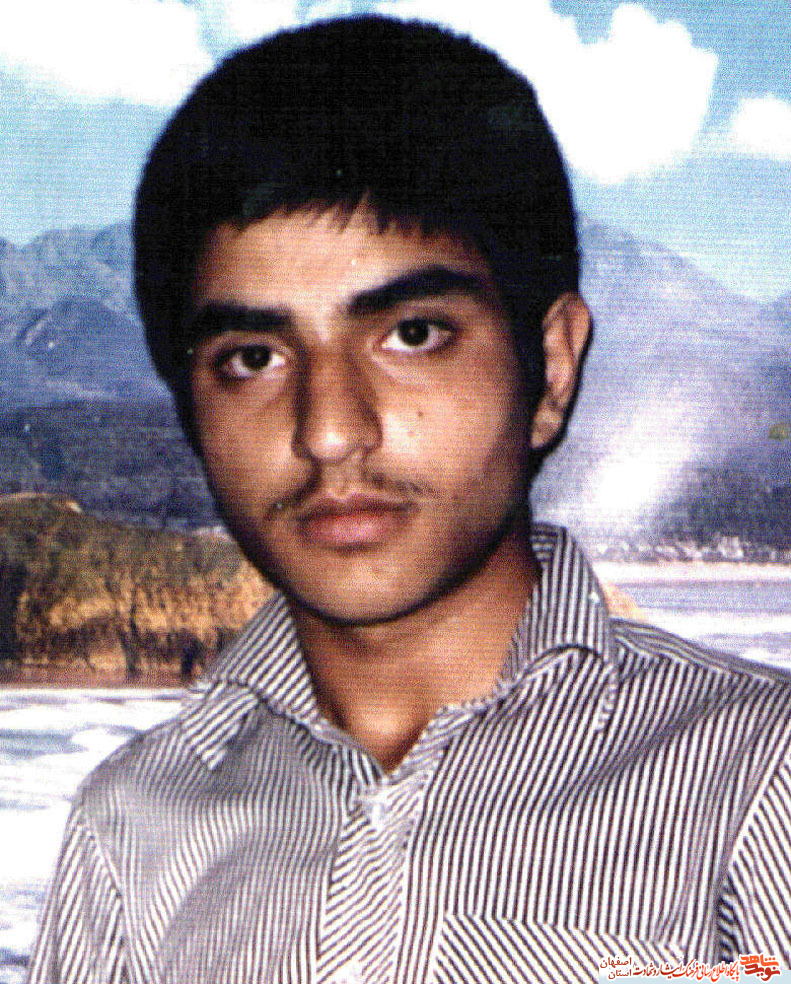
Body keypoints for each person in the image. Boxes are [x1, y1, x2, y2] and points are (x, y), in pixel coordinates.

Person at [27, 15, 791, 984]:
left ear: (550, 368)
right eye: (252, 357)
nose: (327, 428)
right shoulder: (130, 823)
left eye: (413, 335)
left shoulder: (754, 775)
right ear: (189, 405)